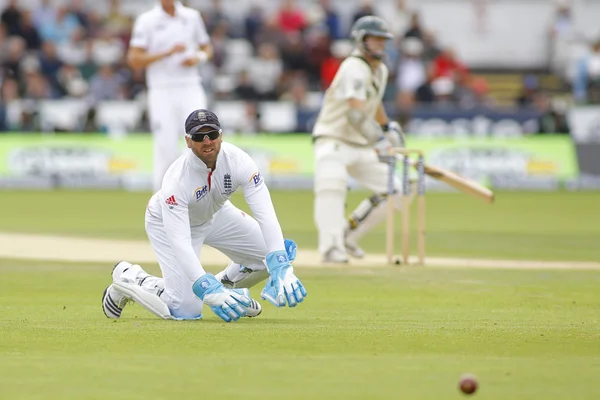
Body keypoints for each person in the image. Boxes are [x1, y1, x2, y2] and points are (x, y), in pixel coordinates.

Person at [102, 109, 307, 322]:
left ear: (221, 135)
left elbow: (265, 212)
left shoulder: (239, 160)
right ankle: (131, 277)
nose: (207, 141)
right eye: (199, 137)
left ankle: (226, 289)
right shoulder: (176, 180)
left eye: (212, 134)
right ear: (188, 141)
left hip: (216, 214)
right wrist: (205, 287)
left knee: (278, 252)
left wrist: (281, 265)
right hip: (169, 224)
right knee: (186, 310)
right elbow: (180, 241)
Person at [312, 15, 412, 263]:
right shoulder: (353, 67)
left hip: (360, 144)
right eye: (374, 39)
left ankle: (348, 235)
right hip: (333, 140)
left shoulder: (381, 70)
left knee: (397, 191)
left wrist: (387, 127)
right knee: (332, 186)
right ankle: (330, 247)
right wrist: (380, 141)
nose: (380, 44)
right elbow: (356, 113)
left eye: (382, 40)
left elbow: (373, 104)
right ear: (361, 40)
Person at [127, 0, 213, 191]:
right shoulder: (147, 20)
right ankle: (163, 200)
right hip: (161, 88)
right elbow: (134, 59)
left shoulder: (192, 16)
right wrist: (167, 53)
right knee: (165, 146)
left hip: (190, 85)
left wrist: (197, 58)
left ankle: (198, 195)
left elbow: (207, 48)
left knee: (199, 137)